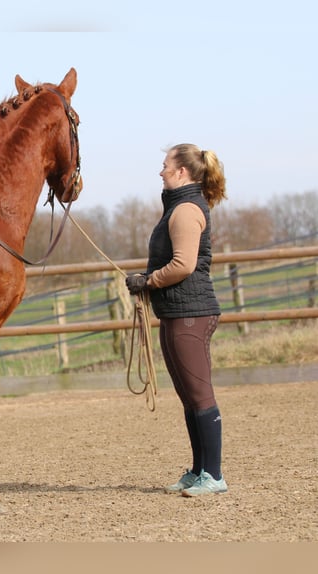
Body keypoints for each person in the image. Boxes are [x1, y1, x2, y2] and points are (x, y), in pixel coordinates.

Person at [126, 143, 228, 497]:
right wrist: (148, 278)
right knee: (189, 396)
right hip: (176, 312)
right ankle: (200, 470)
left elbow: (183, 264)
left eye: (166, 164)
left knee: (200, 395)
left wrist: (148, 281)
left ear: (181, 171)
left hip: (191, 314)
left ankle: (213, 476)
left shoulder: (185, 210)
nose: (161, 170)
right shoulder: (177, 208)